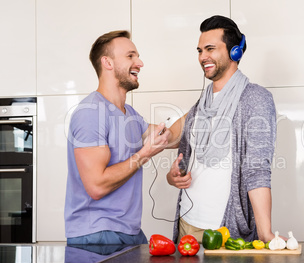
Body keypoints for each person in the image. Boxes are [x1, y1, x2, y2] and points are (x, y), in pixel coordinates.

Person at [167, 15, 277, 243]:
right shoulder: (201, 105)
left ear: (234, 52)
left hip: (224, 229)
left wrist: (266, 232)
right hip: (187, 223)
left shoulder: (255, 99)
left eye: (210, 49)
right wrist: (173, 177)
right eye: (199, 50)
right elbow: (177, 147)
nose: (202, 57)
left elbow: (257, 170)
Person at [65, 30, 180, 245]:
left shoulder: (130, 115)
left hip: (128, 232)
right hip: (97, 235)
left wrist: (208, 100)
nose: (140, 62)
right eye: (130, 56)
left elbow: (170, 137)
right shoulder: (91, 112)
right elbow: (96, 186)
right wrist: (145, 153)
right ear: (107, 62)